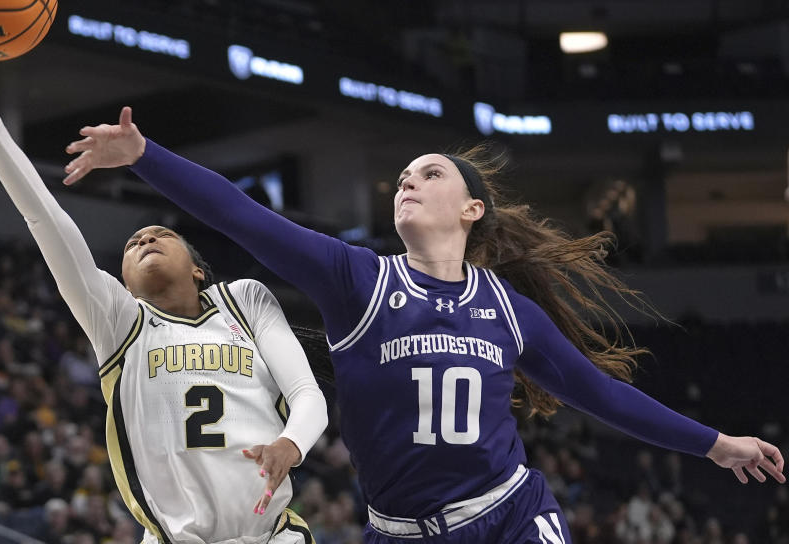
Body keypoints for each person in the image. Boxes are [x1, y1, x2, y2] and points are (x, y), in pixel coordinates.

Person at [62, 105, 786, 544]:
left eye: (430, 174)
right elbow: (244, 218)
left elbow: (600, 394)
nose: (410, 179)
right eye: (404, 175)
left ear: (472, 210)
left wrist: (714, 444)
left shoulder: (509, 309)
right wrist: (145, 157)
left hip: (509, 514)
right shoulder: (358, 281)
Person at [0, 24, 327, 544]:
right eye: (133, 243)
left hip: (273, 535)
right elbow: (43, 218)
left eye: (161, 233)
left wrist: (290, 446)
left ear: (198, 270)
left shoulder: (245, 300)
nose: (145, 238)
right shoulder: (120, 321)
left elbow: (307, 395)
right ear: (122, 284)